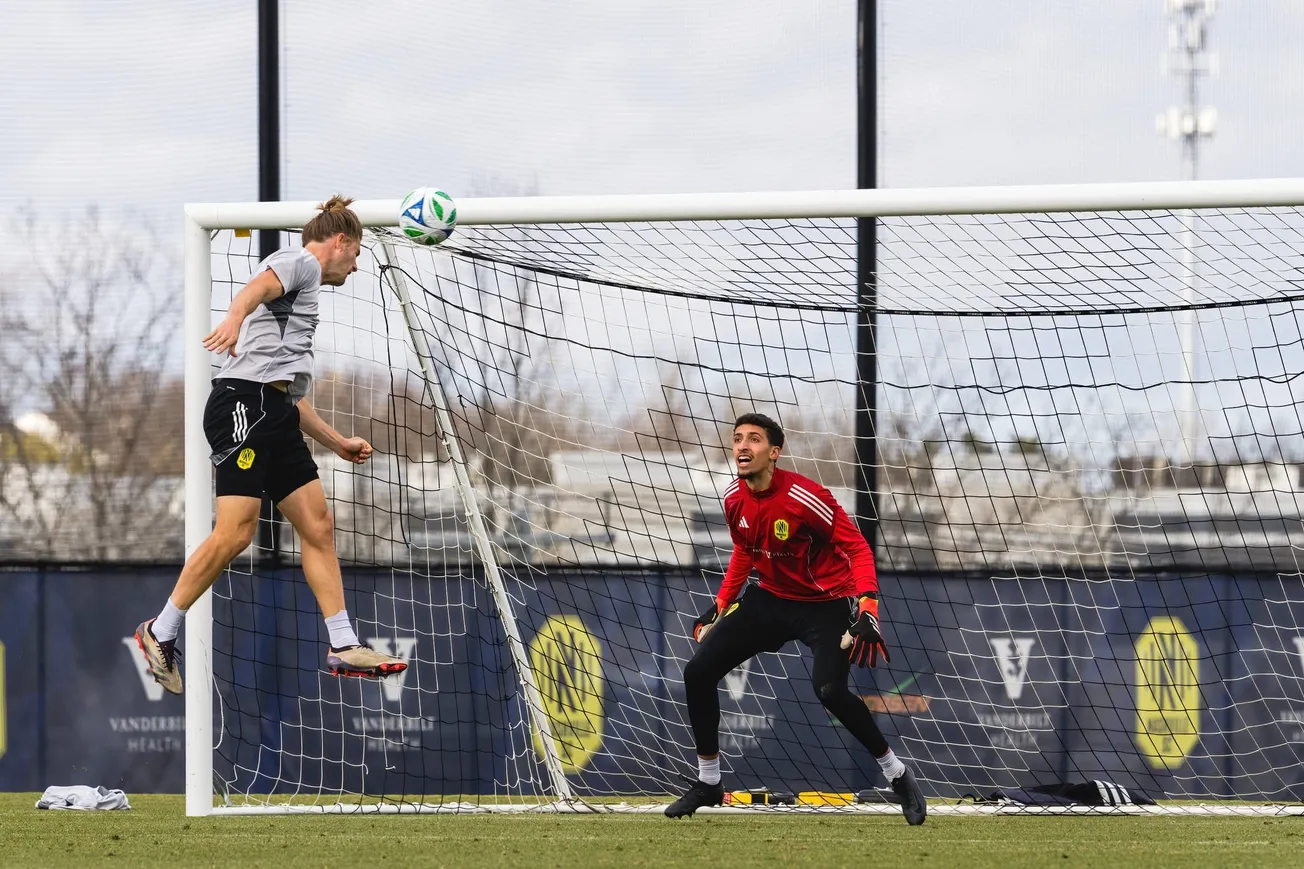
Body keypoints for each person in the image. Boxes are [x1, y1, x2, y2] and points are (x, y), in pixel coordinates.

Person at [134, 195, 407, 695]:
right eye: (358, 251)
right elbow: (256, 288)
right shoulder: (300, 261)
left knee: (318, 524)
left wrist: (337, 441)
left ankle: (343, 643)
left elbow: (290, 399)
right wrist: (235, 317)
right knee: (236, 533)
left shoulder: (303, 302)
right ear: (340, 241)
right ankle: (160, 628)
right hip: (242, 404)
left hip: (274, 412)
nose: (358, 262)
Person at [665, 413, 926, 824]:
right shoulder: (733, 496)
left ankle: (898, 775)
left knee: (830, 692)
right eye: (737, 439)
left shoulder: (806, 498)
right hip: (769, 600)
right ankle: (709, 782)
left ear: (774, 452)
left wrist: (869, 607)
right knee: (697, 673)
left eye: (753, 439)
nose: (742, 447)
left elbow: (858, 548)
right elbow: (744, 552)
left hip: (825, 605)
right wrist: (720, 604)